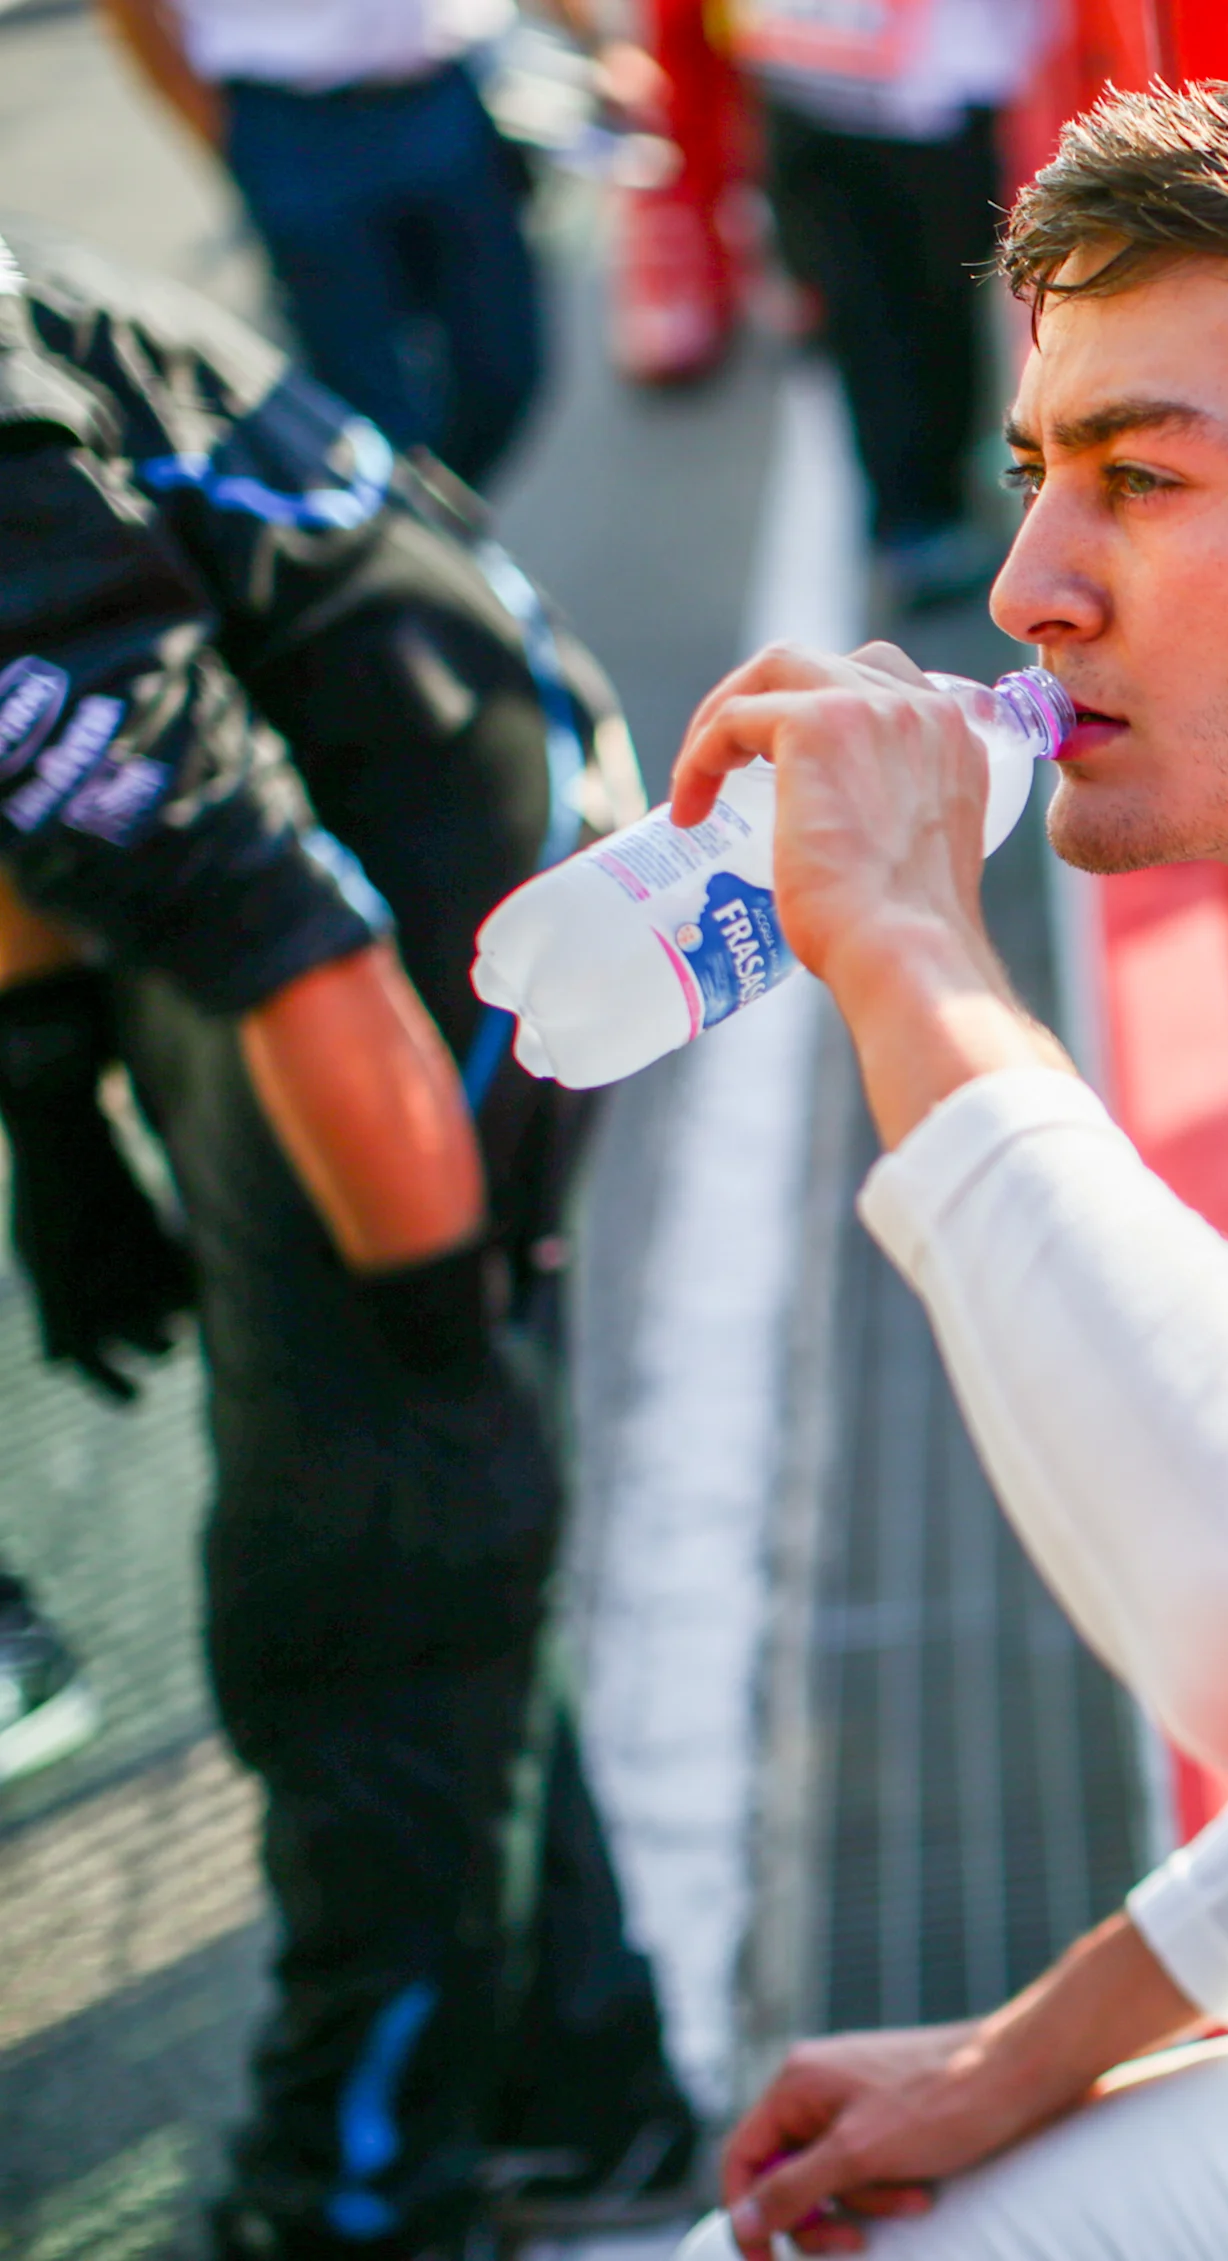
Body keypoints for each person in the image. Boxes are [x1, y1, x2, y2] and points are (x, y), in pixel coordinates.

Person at [651, 76, 1228, 2261]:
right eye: (1040, 469)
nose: (1033, 586)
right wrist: (1047, 2037)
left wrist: (913, 950)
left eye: (1140, 475)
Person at [0, 228, 696, 2255]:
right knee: (408, 1561)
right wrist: (51, 1087)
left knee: (376, 1567)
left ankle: (357, 2197)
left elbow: (292, 949)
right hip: (347, 771)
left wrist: (424, 1349)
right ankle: (578, 2074)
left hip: (441, 910)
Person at [95, 0, 663, 490]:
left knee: (504, 364)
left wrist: (597, 44)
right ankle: (409, 550)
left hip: (441, 95)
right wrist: (231, 142)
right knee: (368, 400)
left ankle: (419, 531)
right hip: (289, 123)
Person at [735, 0, 1052, 610]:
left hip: (825, 66)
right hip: (882, 81)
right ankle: (917, 519)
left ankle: (922, 510)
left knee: (893, 308)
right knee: (905, 311)